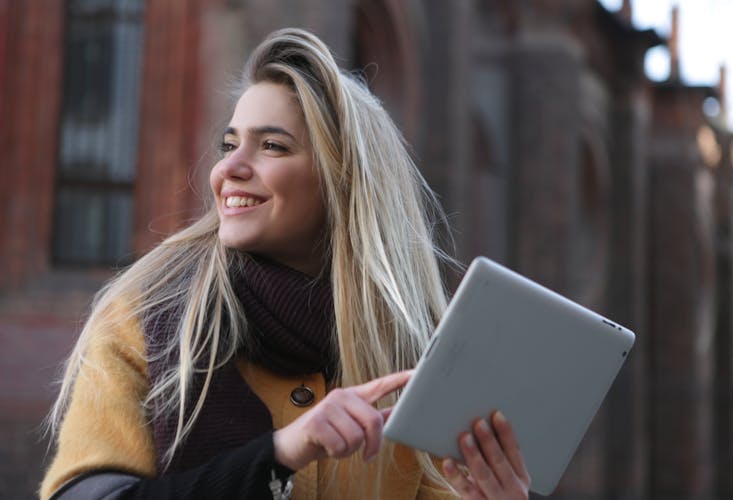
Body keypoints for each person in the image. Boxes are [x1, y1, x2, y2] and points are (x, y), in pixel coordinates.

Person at [40, 28, 531, 500]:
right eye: (230, 145)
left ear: (343, 181)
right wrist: (279, 455)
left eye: (272, 146)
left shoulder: (414, 355)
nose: (228, 168)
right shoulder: (143, 322)